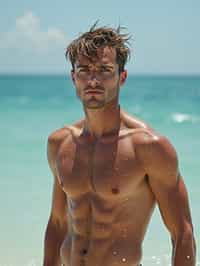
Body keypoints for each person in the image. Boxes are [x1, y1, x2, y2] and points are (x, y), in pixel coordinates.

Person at [43, 24, 196, 266]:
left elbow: (183, 232)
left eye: (104, 70)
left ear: (121, 77)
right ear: (74, 77)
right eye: (84, 70)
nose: (93, 79)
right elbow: (58, 224)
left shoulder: (148, 147)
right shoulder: (60, 144)